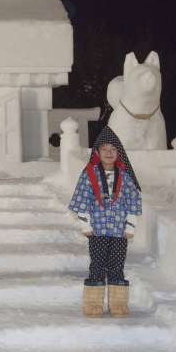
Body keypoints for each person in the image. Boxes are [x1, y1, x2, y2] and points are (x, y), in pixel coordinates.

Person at [68, 125, 142, 317]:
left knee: (117, 265)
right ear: (97, 152)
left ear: (119, 152)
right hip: (97, 230)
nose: (109, 153)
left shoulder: (125, 176)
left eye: (113, 149)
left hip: (119, 231)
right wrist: (85, 224)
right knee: (98, 264)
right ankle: (93, 305)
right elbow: (82, 199)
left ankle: (118, 305)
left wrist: (130, 225)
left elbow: (133, 200)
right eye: (104, 149)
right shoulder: (89, 174)